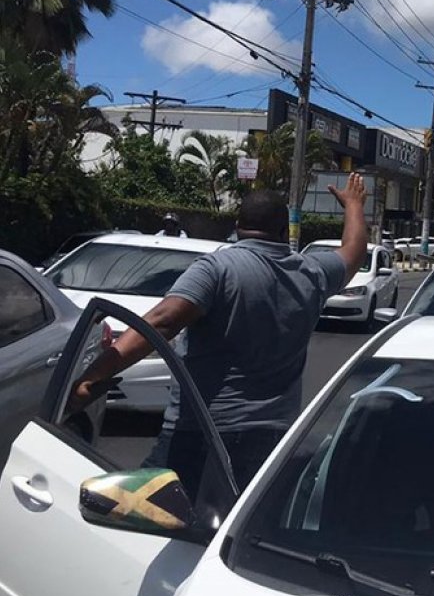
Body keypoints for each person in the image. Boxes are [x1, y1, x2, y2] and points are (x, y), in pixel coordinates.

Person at [69, 174, 369, 493]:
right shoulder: (312, 272)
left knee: (150, 517)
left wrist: (93, 376)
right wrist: (353, 205)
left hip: (201, 432)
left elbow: (161, 321)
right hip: (272, 435)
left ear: (237, 224)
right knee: (235, 529)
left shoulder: (217, 268)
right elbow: (354, 251)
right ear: (284, 231)